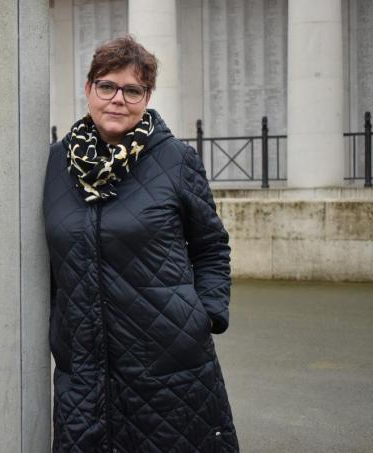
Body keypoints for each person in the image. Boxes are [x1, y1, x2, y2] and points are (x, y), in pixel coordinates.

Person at [43, 35, 239, 452]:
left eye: (132, 90)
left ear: (147, 96)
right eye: (107, 86)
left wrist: (206, 315)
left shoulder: (175, 160)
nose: (118, 99)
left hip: (168, 364)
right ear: (88, 89)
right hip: (84, 365)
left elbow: (211, 246)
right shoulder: (56, 165)